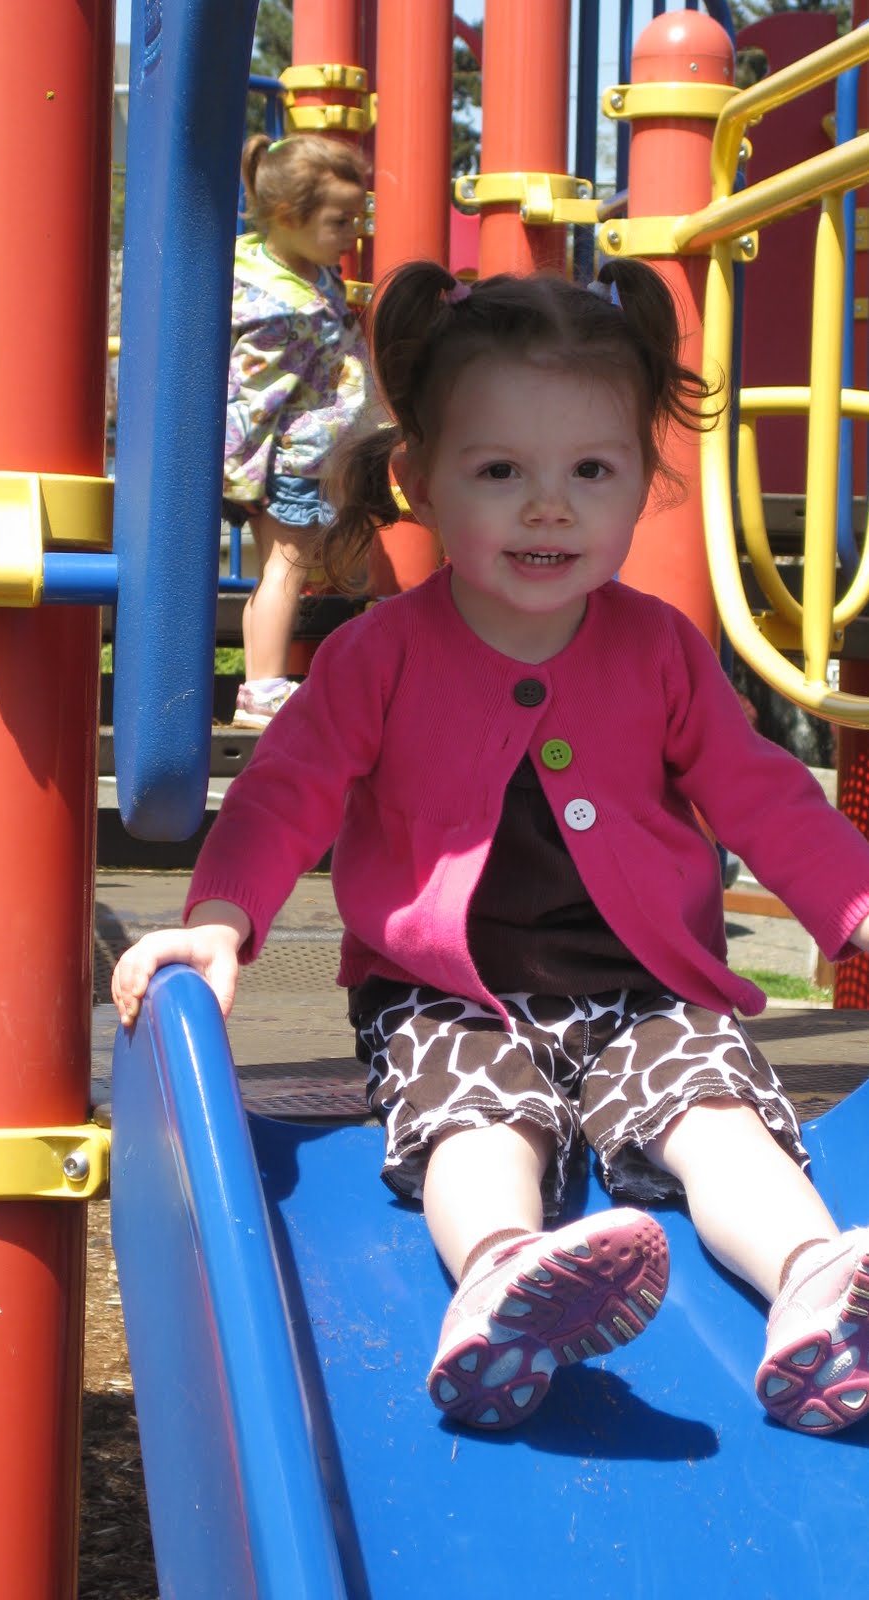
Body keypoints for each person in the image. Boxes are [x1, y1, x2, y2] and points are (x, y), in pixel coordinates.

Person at [114, 258, 869, 1440]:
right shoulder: (378, 655)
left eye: (590, 472)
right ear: (419, 480)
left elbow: (764, 795)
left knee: (714, 1110)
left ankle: (815, 1283)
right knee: (478, 1119)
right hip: (445, 1000)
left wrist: (853, 903)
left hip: (644, 993)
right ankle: (501, 1277)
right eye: (500, 470)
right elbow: (284, 795)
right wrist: (221, 919)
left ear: (644, 485)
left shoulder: (660, 651)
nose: (548, 507)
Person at [223, 132, 372, 728]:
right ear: (288, 215)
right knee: (286, 568)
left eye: (357, 218)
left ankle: (262, 683)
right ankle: (263, 688)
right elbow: (254, 391)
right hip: (291, 454)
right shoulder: (285, 304)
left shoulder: (292, 270)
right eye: (341, 221)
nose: (354, 233)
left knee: (280, 569)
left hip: (296, 450)